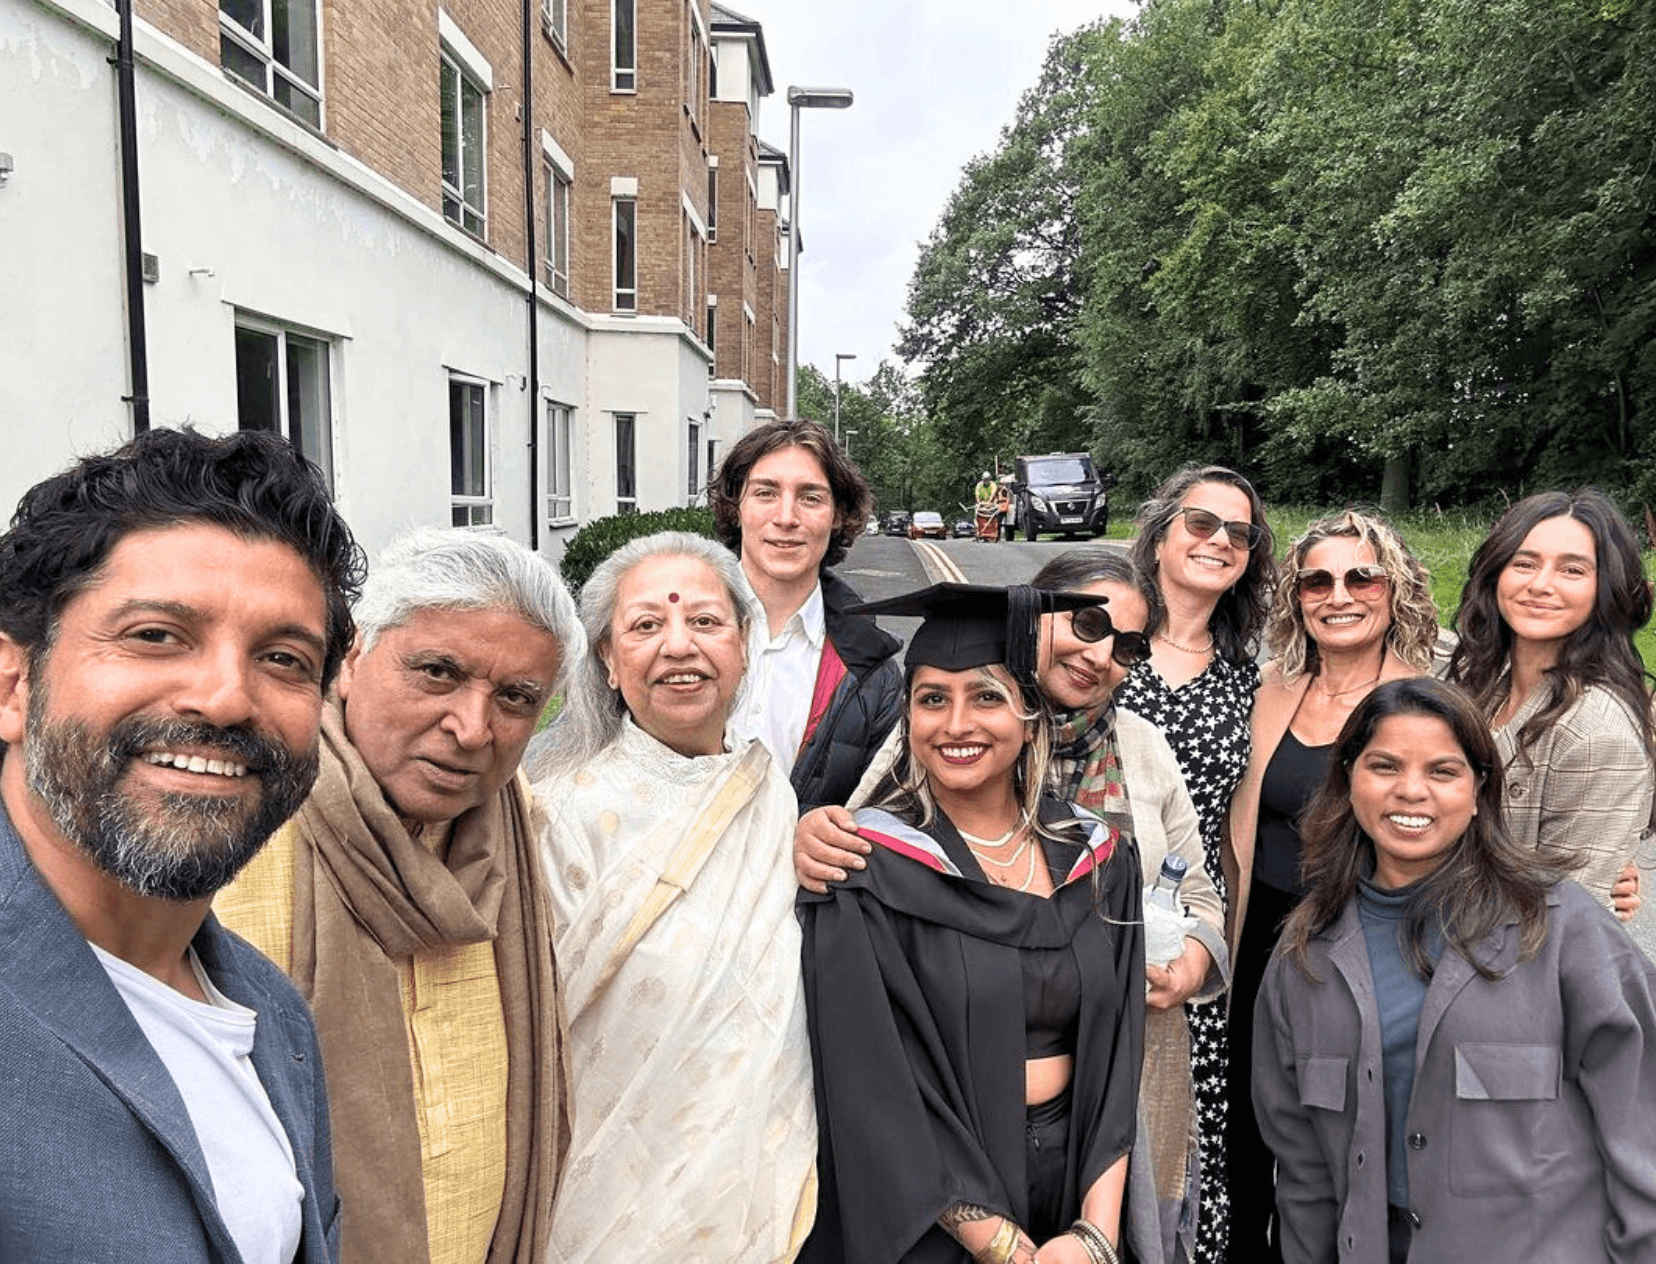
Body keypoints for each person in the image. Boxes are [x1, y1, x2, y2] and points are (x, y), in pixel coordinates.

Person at [0, 426, 362, 1261]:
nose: (227, 697)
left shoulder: (270, 1012)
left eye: (283, 657)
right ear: (15, 684)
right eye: (157, 636)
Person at [217, 527, 574, 1264]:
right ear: (350, 658)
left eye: (516, 697)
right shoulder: (236, 830)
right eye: (438, 672)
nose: (473, 729)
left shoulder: (520, 825)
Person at [1252, 677, 1656, 1263]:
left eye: (1443, 772)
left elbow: (1643, 1126)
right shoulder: (1305, 955)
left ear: (1478, 791)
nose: (1411, 792)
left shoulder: (1562, 927)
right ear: (1348, 781)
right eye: (1384, 766)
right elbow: (1304, 1174)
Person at [800, 583, 1143, 1264]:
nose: (956, 724)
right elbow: (870, 1083)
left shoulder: (1101, 859)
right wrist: (1007, 1250)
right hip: (933, 1213)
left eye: (986, 696)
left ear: (1029, 714)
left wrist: (1095, 1236)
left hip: (1076, 1188)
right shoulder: (866, 872)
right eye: (932, 699)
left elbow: (1122, 1049)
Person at [532, 532, 816, 1261]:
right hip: (600, 1181)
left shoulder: (768, 792)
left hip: (748, 1170)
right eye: (647, 625)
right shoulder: (557, 808)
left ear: (746, 642)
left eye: (706, 622)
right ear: (606, 657)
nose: (679, 647)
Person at [1221, 510, 1437, 1262]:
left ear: (1393, 590)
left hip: (1371, 946)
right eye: (1317, 579)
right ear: (1296, 596)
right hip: (1260, 943)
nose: (1337, 594)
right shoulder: (1272, 691)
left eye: (1360, 576)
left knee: (1350, 1134)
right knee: (1249, 1130)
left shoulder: (1424, 701)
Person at [1034, 550, 1230, 1264]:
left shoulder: (1143, 748)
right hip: (996, 1064)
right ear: (1031, 616)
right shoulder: (958, 723)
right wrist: (819, 833)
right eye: (1086, 623)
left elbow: (1202, 889)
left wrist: (1191, 964)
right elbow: (869, 835)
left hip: (1134, 1058)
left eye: (1125, 646)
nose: (1100, 656)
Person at [1114, 463, 1274, 1264]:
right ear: (1162, 531)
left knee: (1182, 1140)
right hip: (1077, 912)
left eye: (1238, 532)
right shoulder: (1100, 636)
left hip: (1190, 933)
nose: (1218, 541)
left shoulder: (1252, 675)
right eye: (1200, 523)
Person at [1443, 488, 1656, 911]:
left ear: (1606, 588)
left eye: (1572, 570)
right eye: (1524, 563)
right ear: (1496, 573)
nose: (1540, 585)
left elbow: (1568, 926)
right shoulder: (1476, 680)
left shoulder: (1596, 733)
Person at [709, 417, 903, 811]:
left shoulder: (874, 677)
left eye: (810, 497)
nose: (786, 517)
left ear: (837, 515)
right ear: (736, 506)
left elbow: (881, 817)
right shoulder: (663, 629)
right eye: (765, 493)